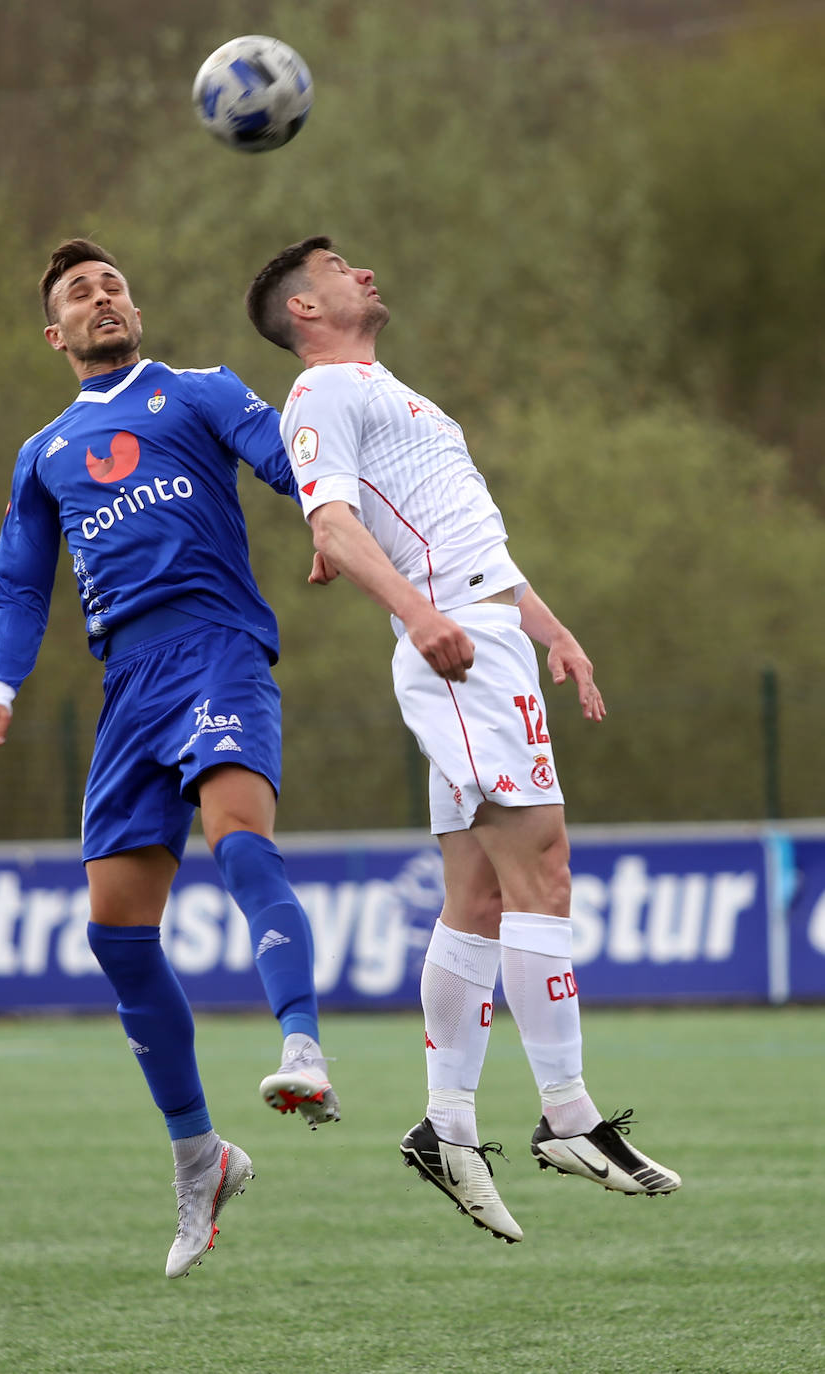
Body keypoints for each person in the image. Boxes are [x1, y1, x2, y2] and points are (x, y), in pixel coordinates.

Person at [245, 236, 681, 1244]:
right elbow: (333, 529)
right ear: (304, 309)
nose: (364, 271)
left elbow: (467, 537)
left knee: (479, 896)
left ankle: (444, 1131)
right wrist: (419, 614)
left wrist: (554, 630)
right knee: (545, 868)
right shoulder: (317, 398)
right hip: (455, 648)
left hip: (483, 635)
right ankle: (567, 1114)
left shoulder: (392, 390)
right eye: (341, 266)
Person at [0, 238, 339, 1280]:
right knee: (119, 938)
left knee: (237, 838)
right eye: (80, 294)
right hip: (127, 687)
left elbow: (287, 455)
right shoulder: (43, 453)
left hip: (217, 646)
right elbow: (23, 586)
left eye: (112, 284)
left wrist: (325, 517)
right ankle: (200, 1158)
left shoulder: (198, 391)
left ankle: (301, 1046)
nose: (102, 298)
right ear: (57, 335)